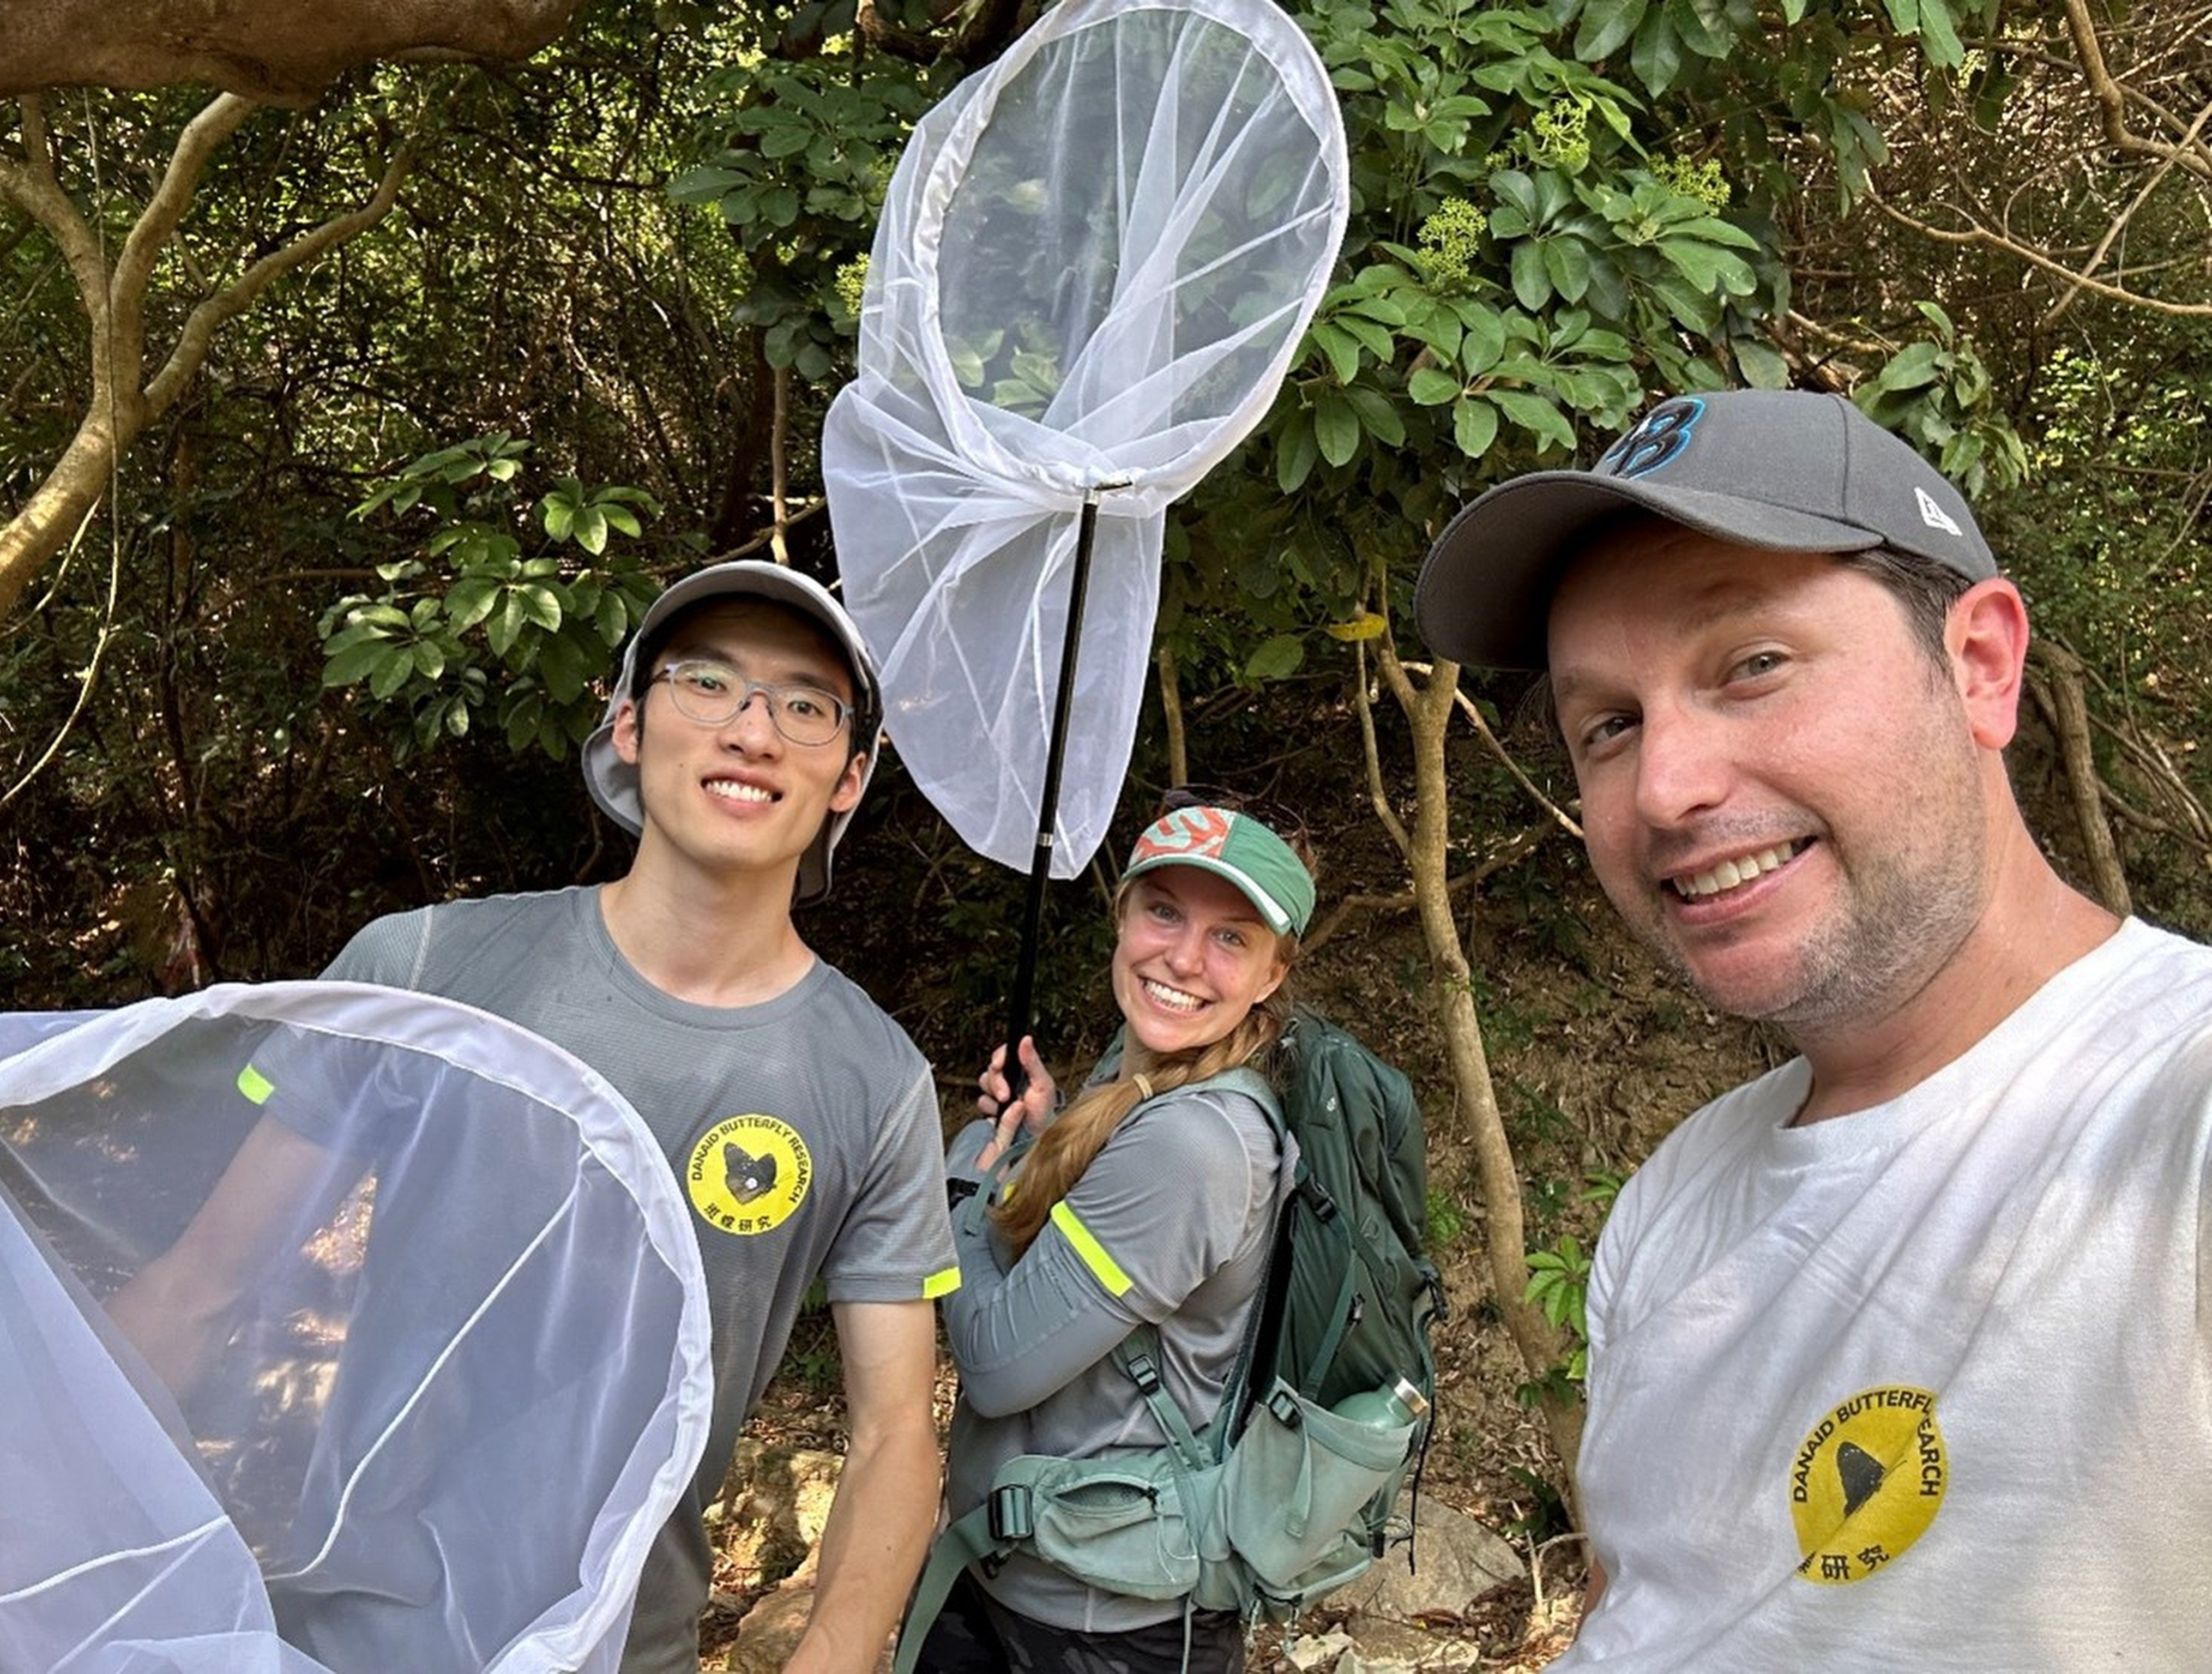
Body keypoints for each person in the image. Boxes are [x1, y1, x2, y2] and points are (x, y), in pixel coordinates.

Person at [1413, 387, 2212, 1668]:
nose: (1665, 786)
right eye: (1607, 724)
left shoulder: (2176, 1109)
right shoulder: (1670, 1202)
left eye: (1750, 665)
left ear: (1979, 666)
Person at [296, 561, 957, 1672]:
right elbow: (217, 1275)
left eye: (805, 703)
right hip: (332, 1621)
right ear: (627, 723)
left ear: (849, 774)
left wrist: (827, 1657)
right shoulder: (416, 968)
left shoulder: (874, 1083)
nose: (753, 730)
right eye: (707, 683)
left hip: (621, 1643)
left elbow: (896, 1431)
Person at [913, 799, 1317, 1674]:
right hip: (1026, 1570)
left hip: (1101, 1626)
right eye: (1165, 910)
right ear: (1123, 913)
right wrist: (1043, 1136)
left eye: (1231, 937)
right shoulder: (1144, 1070)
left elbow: (994, 1362)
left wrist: (963, 1183)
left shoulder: (1194, 1142)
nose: (1182, 957)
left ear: (1275, 972)